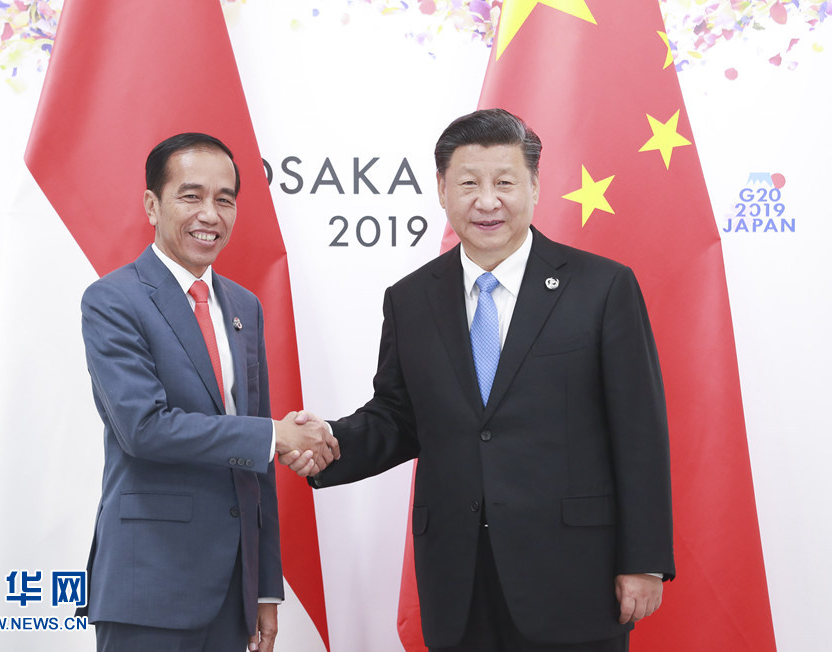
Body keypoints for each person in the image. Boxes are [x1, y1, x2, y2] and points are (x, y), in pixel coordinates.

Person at [298, 109, 675, 652]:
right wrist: (330, 443)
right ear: (442, 189)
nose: (487, 201)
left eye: (505, 182)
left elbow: (639, 431)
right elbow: (399, 417)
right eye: (469, 183)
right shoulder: (411, 299)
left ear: (535, 186)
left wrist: (644, 560)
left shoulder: (602, 286)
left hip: (574, 575)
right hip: (460, 580)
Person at [79, 132, 338, 652]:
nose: (210, 215)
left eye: (224, 199)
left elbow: (257, 462)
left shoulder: (244, 306)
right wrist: (275, 435)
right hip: (148, 585)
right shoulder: (113, 300)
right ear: (152, 205)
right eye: (191, 196)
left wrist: (265, 587)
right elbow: (144, 429)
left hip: (231, 592)